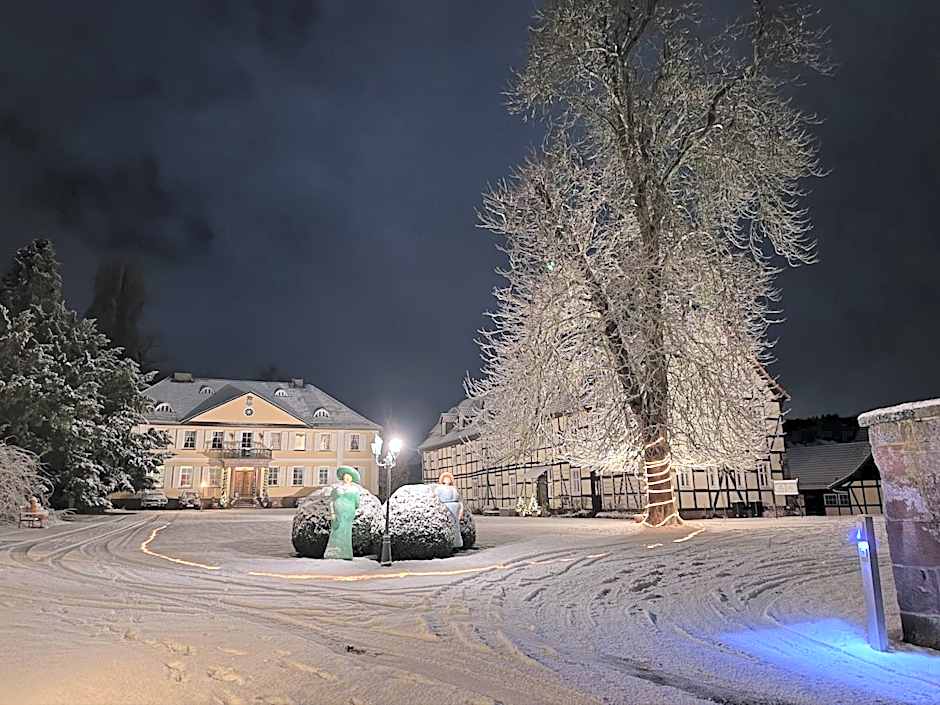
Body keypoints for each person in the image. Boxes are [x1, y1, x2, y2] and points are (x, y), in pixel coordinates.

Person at [324, 466, 362, 560]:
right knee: (336, 531)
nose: (347, 478)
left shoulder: (355, 490)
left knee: (346, 533)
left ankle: (346, 553)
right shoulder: (336, 489)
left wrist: (349, 507)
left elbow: (357, 503)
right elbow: (331, 501)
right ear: (342, 477)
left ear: (352, 478)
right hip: (337, 514)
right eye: (346, 476)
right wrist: (332, 513)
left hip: (348, 514)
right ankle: (333, 552)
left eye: (349, 476)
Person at [434, 471, 463, 549]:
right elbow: (436, 499)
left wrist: (461, 510)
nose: (448, 480)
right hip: (447, 509)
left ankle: (456, 544)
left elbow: (459, 500)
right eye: (446, 479)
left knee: (456, 528)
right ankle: (448, 544)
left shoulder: (454, 488)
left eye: (449, 479)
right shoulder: (439, 489)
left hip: (455, 510)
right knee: (449, 528)